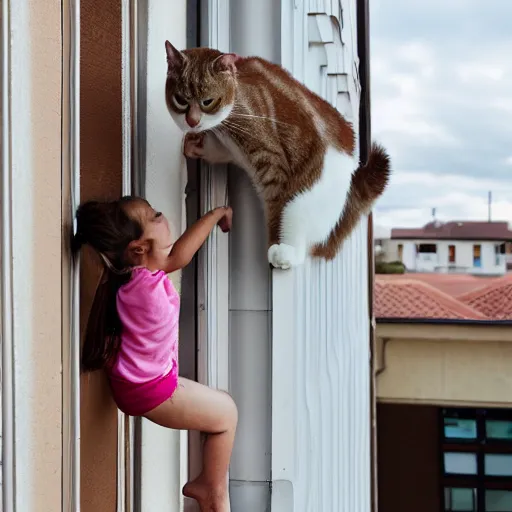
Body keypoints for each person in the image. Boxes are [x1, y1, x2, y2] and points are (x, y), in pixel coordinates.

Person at [73, 196, 237, 512]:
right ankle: (211, 489)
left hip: (141, 382)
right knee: (226, 415)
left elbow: (178, 255)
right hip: (150, 390)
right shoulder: (144, 289)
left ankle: (210, 487)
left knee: (222, 410)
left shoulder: (131, 277)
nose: (163, 217)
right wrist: (217, 213)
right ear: (139, 248)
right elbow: (177, 257)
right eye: (156, 215)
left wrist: (216, 213)